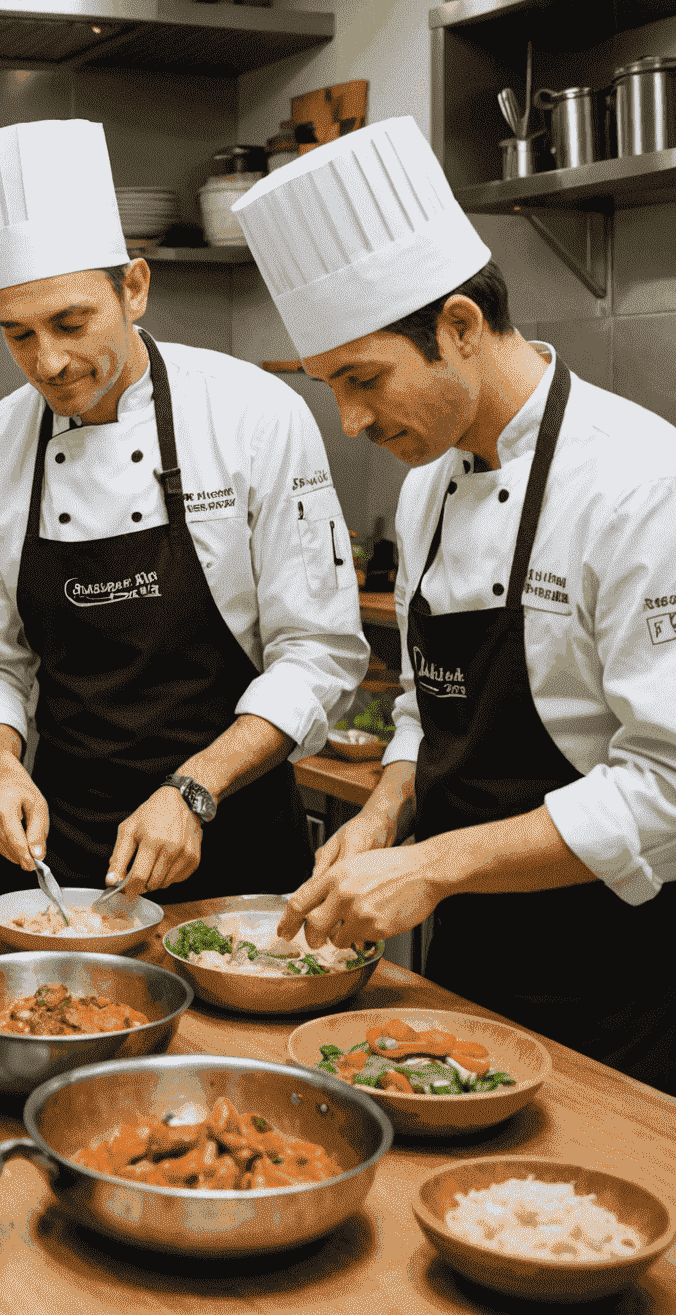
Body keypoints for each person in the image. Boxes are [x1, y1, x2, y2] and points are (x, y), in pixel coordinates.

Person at [234, 116, 676, 1093]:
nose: (351, 423)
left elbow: (668, 788)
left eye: (363, 381)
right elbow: (429, 706)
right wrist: (390, 811)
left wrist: (435, 867)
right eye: (331, 388)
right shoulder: (433, 475)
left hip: (620, 977)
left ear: (461, 329)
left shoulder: (642, 485)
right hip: (468, 959)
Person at [0, 119, 368, 907]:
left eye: (72, 324)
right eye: (19, 334)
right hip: (52, 855)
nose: (50, 363)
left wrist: (196, 788)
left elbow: (318, 650)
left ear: (134, 288)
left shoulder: (253, 416)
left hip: (231, 837)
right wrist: (1, 769)